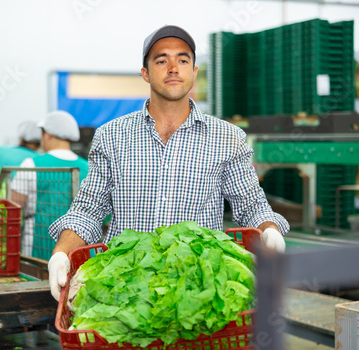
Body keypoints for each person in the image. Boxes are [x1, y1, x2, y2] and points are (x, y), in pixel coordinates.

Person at [47, 25, 289, 301]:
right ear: (145, 73)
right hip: (125, 288)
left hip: (197, 290)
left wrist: (270, 231)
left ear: (194, 72)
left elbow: (251, 206)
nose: (174, 67)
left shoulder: (227, 137)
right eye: (162, 60)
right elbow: (87, 211)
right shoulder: (111, 136)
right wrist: (61, 254)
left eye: (183, 60)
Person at [11, 111, 89, 258]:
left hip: (36, 251)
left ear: (48, 135)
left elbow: (15, 208)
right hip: (76, 253)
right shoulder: (88, 167)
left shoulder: (31, 164)